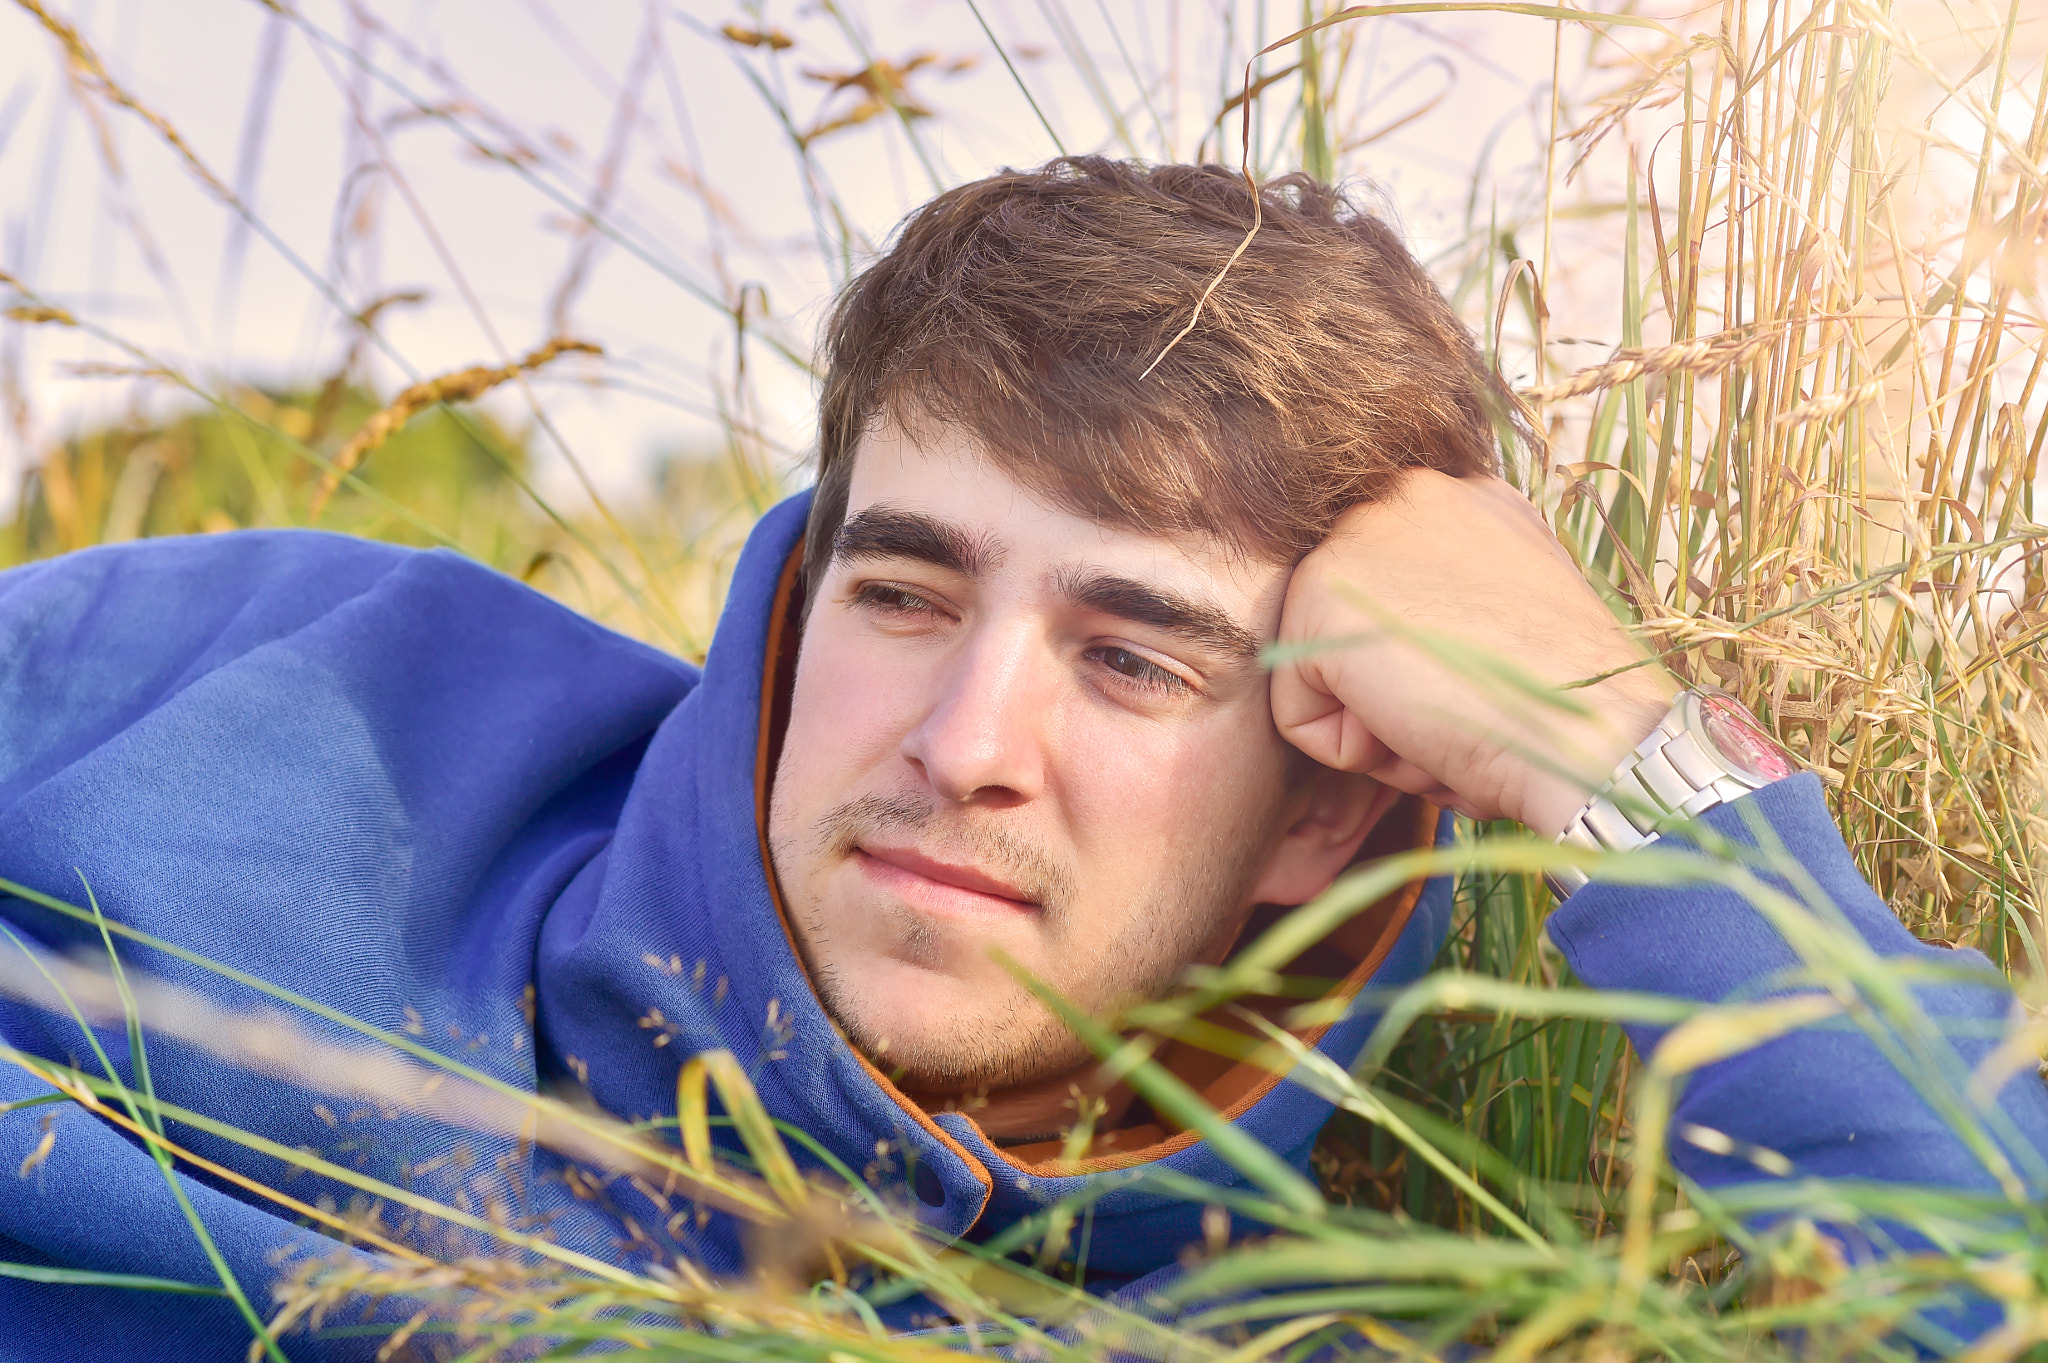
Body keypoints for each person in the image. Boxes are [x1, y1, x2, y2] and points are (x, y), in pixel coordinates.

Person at [0, 157, 2040, 1359]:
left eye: (1134, 656)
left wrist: (1626, 762)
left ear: (1324, 798)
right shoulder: (300, 673)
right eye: (902, 594)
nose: (965, 743)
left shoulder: (1277, 1327)